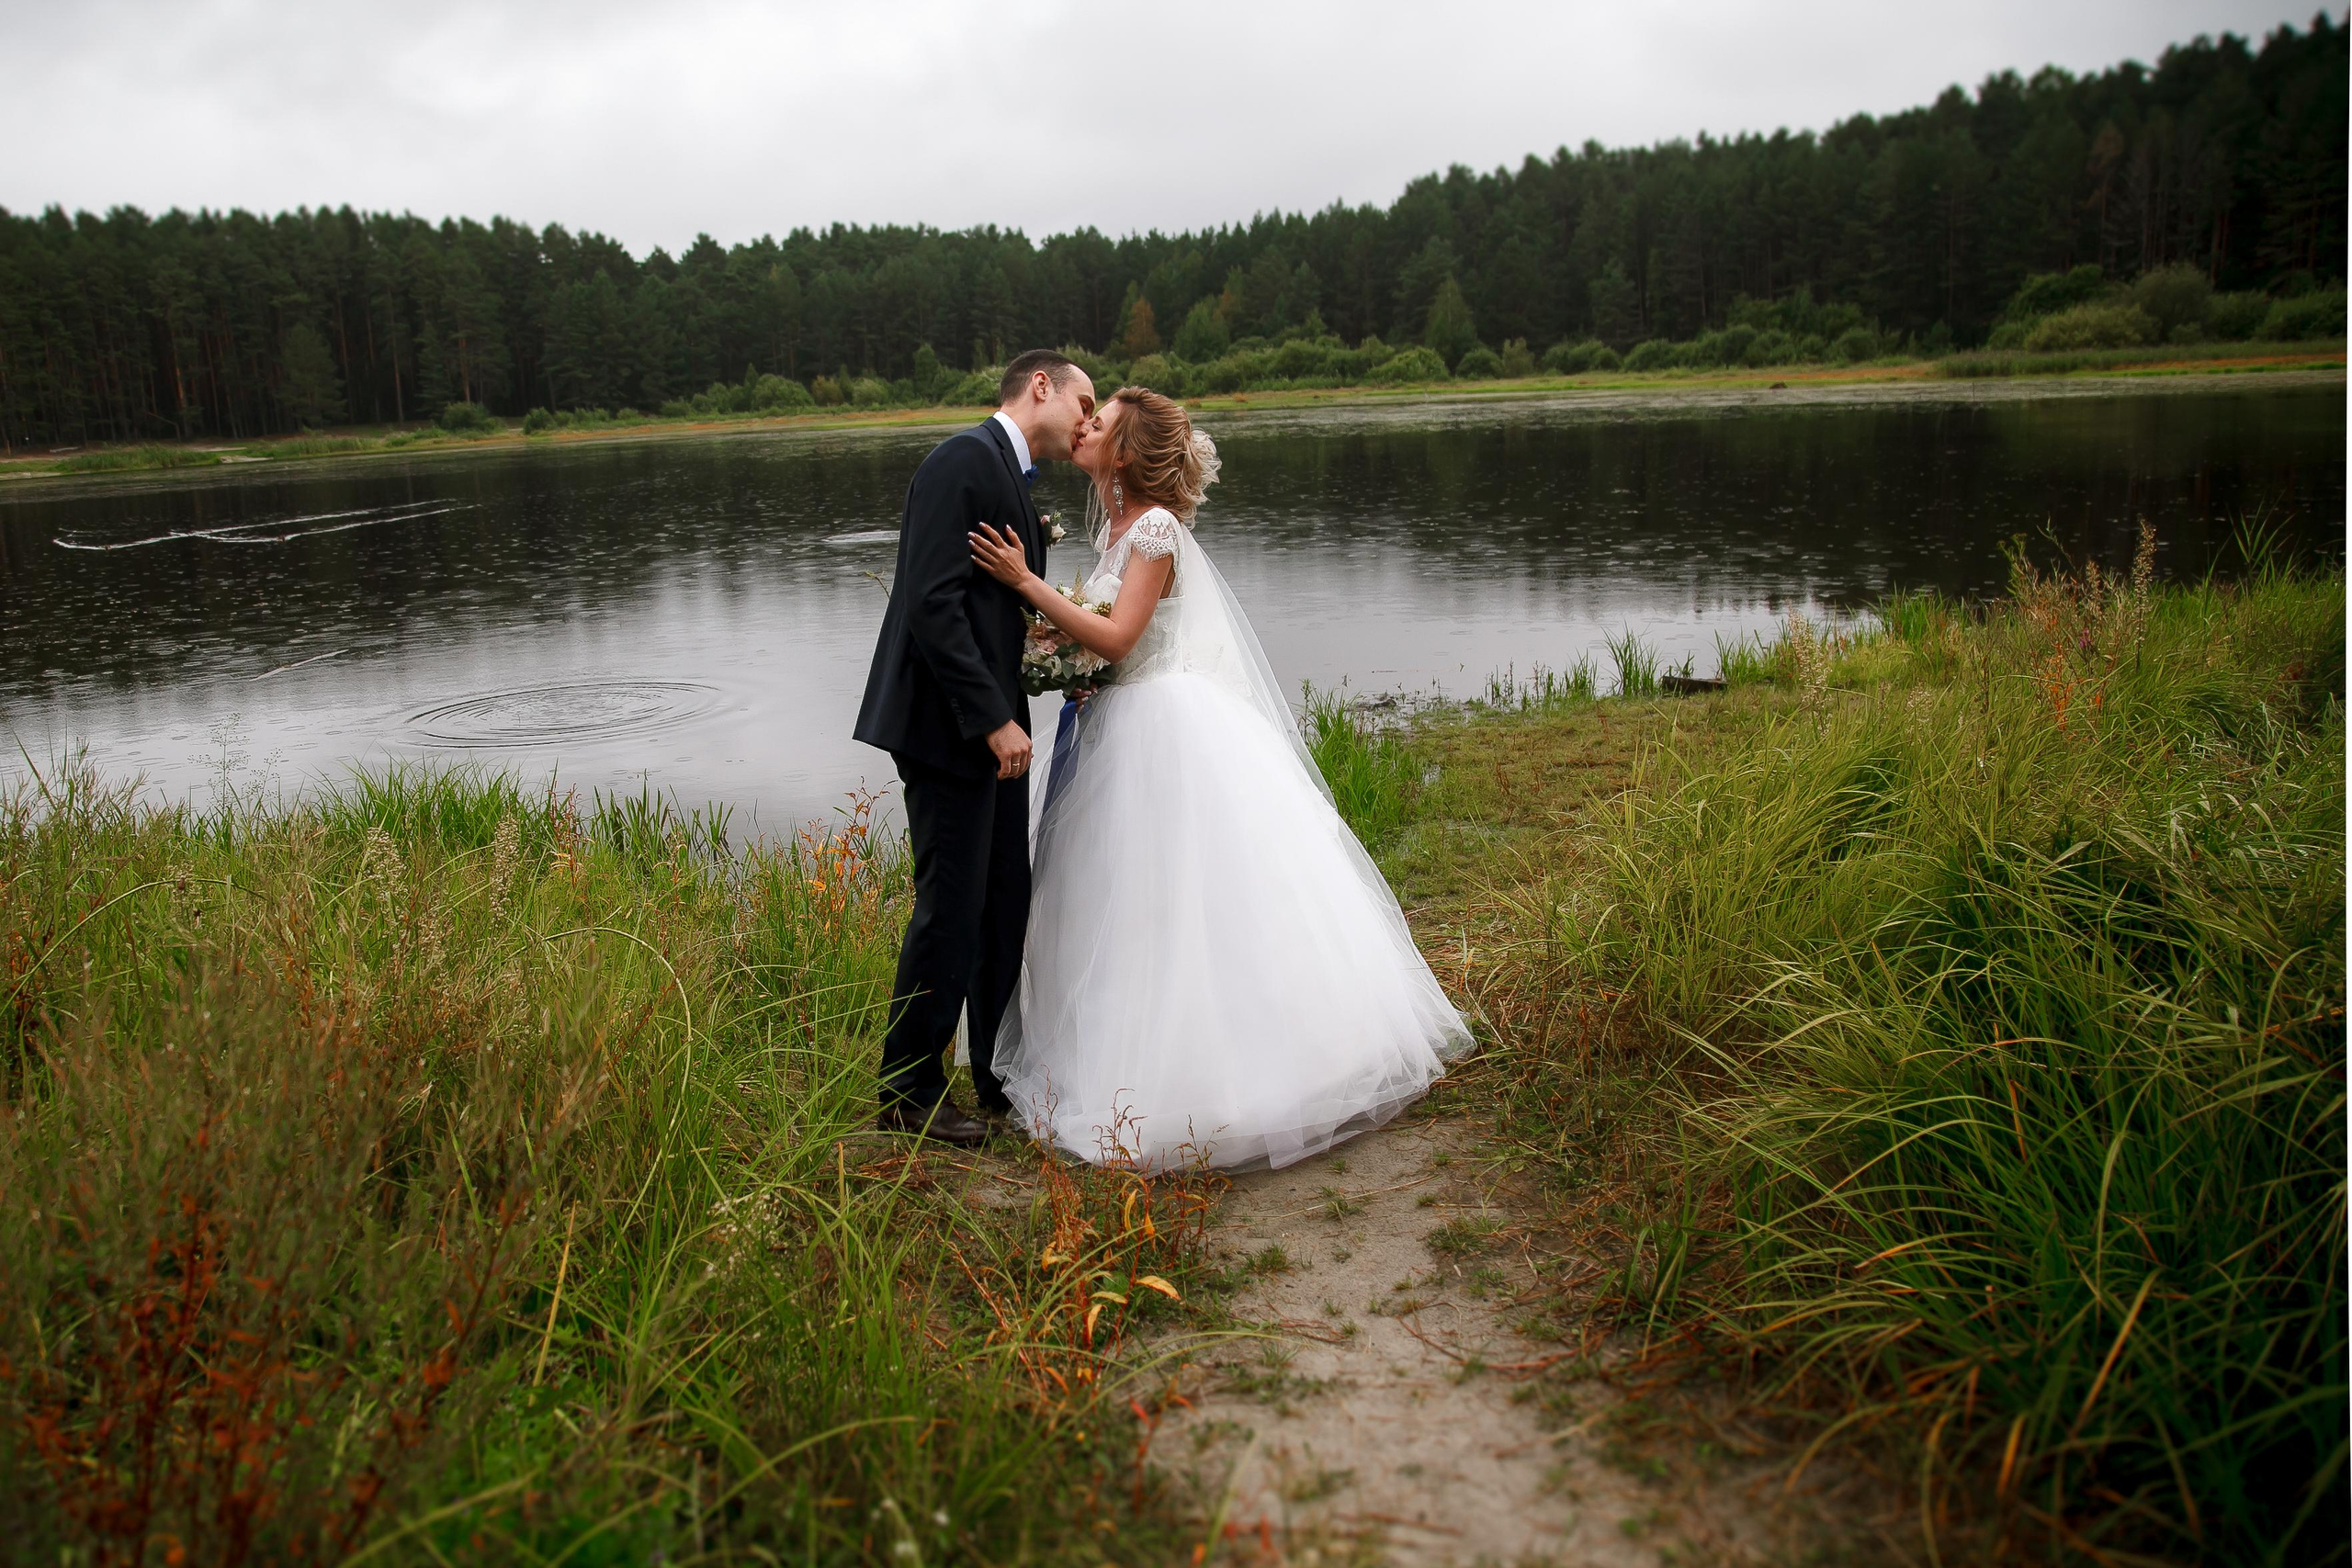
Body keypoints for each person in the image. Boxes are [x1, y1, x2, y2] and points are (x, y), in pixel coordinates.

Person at [967, 387, 1472, 1171]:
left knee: (1181, 902)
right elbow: (1100, 643)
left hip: (1160, 730)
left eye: (1099, 423)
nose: (1084, 427)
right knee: (1119, 902)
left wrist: (1025, 584)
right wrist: (1052, 656)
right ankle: (1108, 1055)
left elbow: (1121, 633)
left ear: (1125, 454)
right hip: (1111, 721)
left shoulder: (1157, 528)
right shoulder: (1115, 530)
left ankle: (1221, 1078)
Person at [854, 349, 1095, 1145]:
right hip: (947, 727)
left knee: (1003, 901)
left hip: (993, 729)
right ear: (1039, 387)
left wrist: (1056, 660)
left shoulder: (1009, 475)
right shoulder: (963, 459)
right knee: (951, 909)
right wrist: (992, 716)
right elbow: (931, 604)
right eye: (1083, 401)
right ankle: (908, 1092)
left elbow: (993, 614)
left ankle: (995, 1072)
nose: (1089, 421)